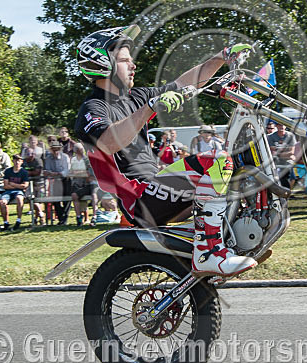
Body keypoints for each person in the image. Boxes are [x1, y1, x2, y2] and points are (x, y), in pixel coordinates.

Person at [74, 24, 257, 277]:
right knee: (216, 160)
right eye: (126, 61)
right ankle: (208, 253)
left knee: (240, 161)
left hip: (157, 189)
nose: (133, 65)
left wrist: (221, 57)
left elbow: (184, 83)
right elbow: (108, 142)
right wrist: (149, 107)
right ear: (103, 64)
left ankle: (241, 233)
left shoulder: (136, 97)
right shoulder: (93, 108)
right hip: (139, 199)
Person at [69, 143, 98, 226]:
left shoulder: (87, 159)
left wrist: (77, 173)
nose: (80, 152)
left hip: (91, 184)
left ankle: (94, 217)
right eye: (77, 150)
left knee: (94, 194)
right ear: (75, 151)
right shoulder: (73, 160)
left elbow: (89, 175)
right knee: (74, 195)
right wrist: (82, 173)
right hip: (81, 185)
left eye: (81, 150)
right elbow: (70, 173)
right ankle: (78, 217)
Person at [0, 154, 29, 230]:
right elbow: (5, 185)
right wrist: (18, 185)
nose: (17, 162)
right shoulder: (8, 171)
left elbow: (25, 185)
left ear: (21, 162)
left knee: (19, 199)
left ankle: (18, 220)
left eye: (19, 160)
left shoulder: (24, 172)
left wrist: (13, 184)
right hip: (8, 192)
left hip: (19, 192)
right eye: (15, 160)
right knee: (2, 202)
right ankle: (6, 222)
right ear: (13, 161)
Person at [44, 139, 71, 224]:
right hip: (55, 181)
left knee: (67, 199)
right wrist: (53, 174)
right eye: (54, 149)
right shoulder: (48, 158)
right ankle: (60, 218)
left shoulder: (65, 157)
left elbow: (66, 171)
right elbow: (47, 171)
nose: (56, 151)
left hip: (65, 180)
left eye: (57, 149)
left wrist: (56, 173)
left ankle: (64, 218)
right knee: (55, 200)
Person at [267, 122, 297, 189]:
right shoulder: (270, 136)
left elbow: (291, 152)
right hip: (276, 162)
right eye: (279, 125)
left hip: (288, 162)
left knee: (292, 178)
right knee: (279, 178)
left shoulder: (290, 136)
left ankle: (288, 193)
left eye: (283, 124)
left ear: (286, 126)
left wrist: (278, 152)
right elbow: (272, 152)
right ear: (276, 126)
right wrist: (286, 151)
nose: (281, 126)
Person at [22, 147, 46, 225]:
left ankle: (36, 218)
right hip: (28, 184)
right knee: (30, 198)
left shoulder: (38, 161)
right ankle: (41, 215)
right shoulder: (23, 162)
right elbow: (21, 172)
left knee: (39, 200)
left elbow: (37, 172)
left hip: (39, 183)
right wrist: (29, 173)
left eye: (31, 153)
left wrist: (27, 172)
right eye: (27, 154)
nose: (29, 155)